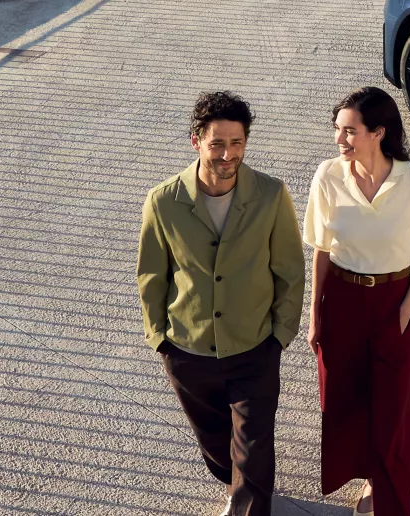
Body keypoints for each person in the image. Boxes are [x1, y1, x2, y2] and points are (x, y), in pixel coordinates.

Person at [135, 91, 305, 516]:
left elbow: (289, 268)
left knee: (252, 446)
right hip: (188, 350)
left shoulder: (270, 194)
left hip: (254, 346)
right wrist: (160, 338)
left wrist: (281, 333)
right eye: (218, 144)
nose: (228, 154)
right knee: (214, 440)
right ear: (196, 141)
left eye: (237, 143)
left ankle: (248, 499)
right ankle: (236, 484)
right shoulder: (163, 201)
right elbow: (152, 275)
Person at [305, 86, 410, 516]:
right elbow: (322, 250)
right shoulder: (328, 175)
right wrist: (315, 314)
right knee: (344, 398)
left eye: (350, 131)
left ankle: (388, 501)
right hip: (342, 301)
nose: (339, 139)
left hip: (392, 302)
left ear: (378, 132)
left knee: (393, 409)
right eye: (337, 130)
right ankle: (367, 476)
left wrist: (406, 306)